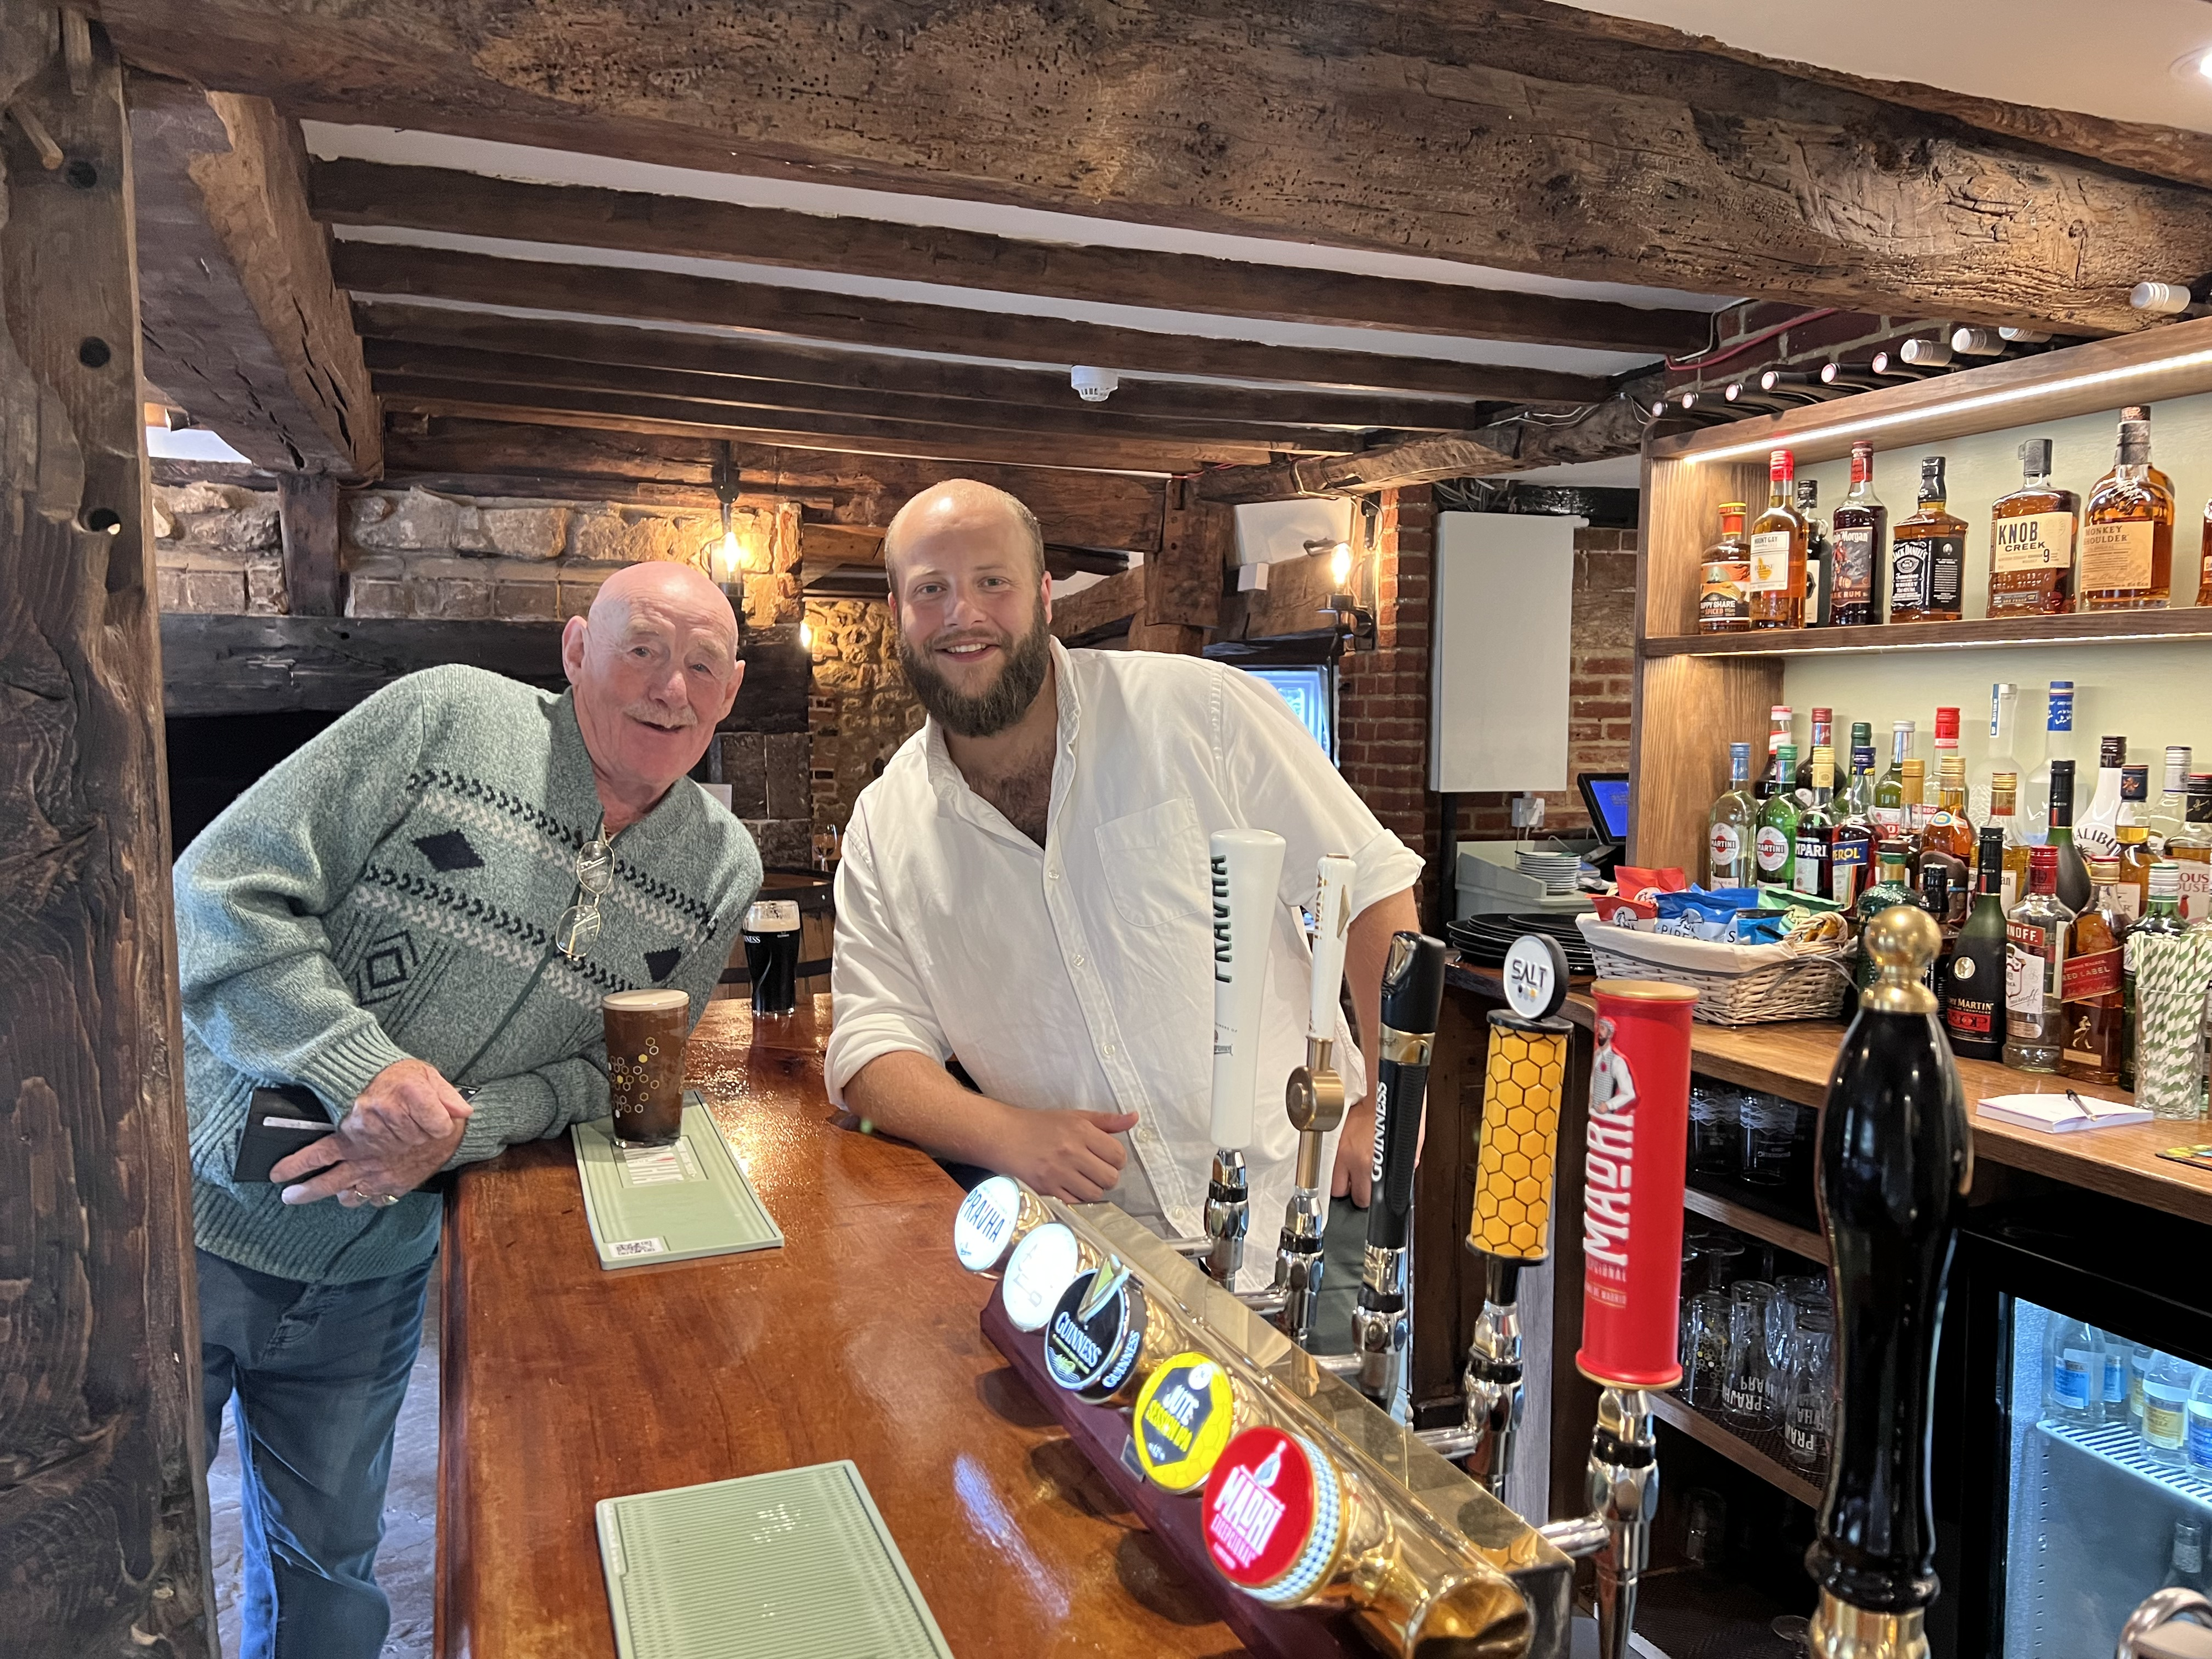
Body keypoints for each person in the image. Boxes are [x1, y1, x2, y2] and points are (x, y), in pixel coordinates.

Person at [178, 560, 760, 1659]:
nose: (668, 687)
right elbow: (219, 893)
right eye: (641, 648)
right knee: (115, 1537)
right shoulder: (446, 716)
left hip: (378, 1266)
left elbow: (623, 1076)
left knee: (333, 1570)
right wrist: (358, 1065)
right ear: (577, 647)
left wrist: (459, 1128)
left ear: (729, 692)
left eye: (700, 666)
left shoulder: (719, 867)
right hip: (193, 1222)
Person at [828, 480, 1421, 1280]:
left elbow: (1370, 886)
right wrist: (1008, 1134)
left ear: (1042, 595)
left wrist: (1382, 1113)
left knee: (1344, 1409)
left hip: (1310, 1209)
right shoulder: (882, 827)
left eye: (992, 582)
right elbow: (872, 1048)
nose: (963, 614)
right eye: (932, 589)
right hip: (1096, 1259)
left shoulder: (1200, 711)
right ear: (897, 609)